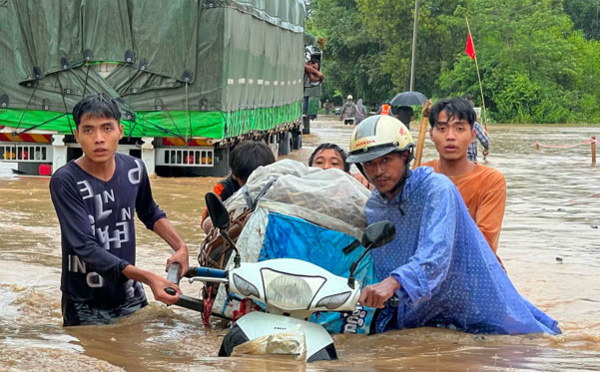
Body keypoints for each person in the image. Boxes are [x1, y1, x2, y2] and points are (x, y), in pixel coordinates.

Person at [346, 115, 560, 335]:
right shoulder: (374, 205)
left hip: (471, 304)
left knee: (517, 345)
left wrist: (394, 282)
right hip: (418, 313)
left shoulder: (436, 189)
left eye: (386, 160)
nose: (378, 171)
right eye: (369, 163)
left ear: (405, 156)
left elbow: (436, 254)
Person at [49, 93, 189, 326]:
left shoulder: (134, 169)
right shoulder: (65, 181)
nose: (99, 138)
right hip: (84, 303)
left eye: (107, 128)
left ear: (120, 131)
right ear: (76, 135)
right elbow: (85, 247)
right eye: (89, 130)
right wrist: (147, 277)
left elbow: (149, 212)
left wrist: (180, 247)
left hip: (128, 294)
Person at [422, 97, 504, 257]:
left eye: (459, 129)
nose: (450, 136)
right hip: (426, 267)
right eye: (442, 129)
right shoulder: (422, 175)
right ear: (431, 134)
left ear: (472, 135)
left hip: (473, 267)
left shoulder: (491, 181)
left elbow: (484, 241)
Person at [201, 140, 276, 232]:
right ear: (235, 175)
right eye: (248, 180)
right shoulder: (223, 188)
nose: (253, 185)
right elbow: (206, 221)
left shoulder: (277, 187)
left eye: (257, 180)